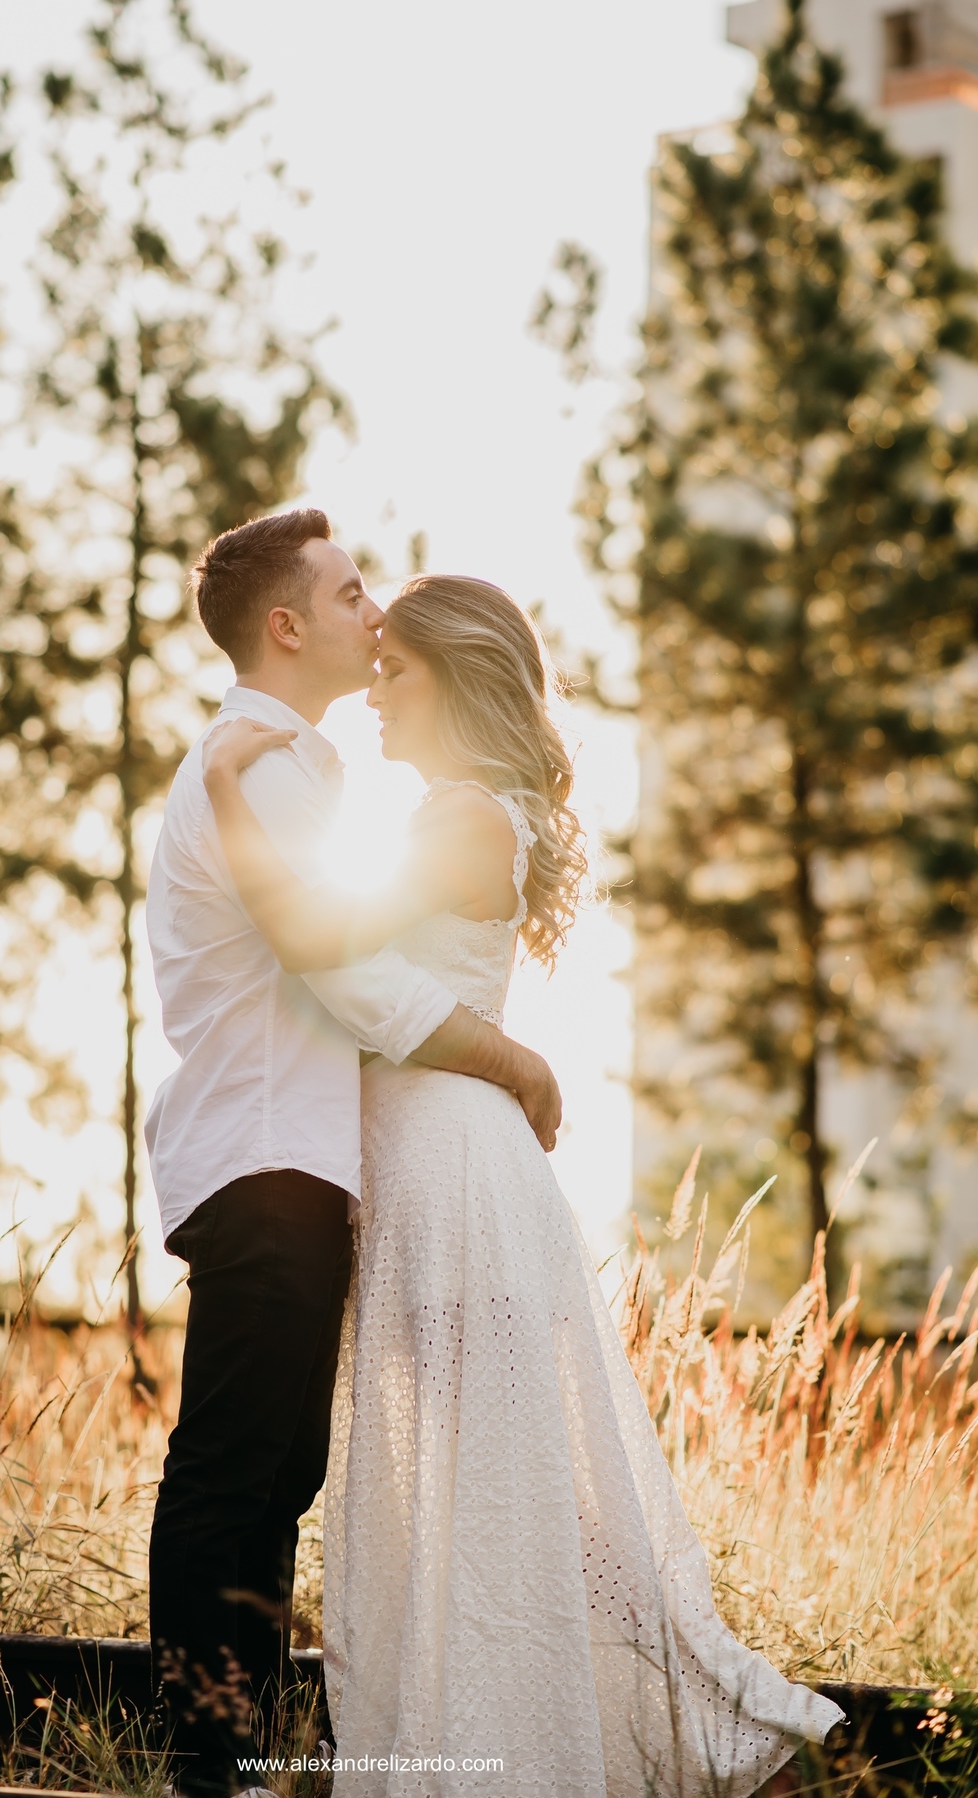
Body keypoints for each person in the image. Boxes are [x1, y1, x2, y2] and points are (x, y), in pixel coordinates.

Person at [201, 571, 846, 1798]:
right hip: (432, 1156)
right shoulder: (464, 810)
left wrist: (230, 788)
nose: (376, 692)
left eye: (397, 670)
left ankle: (526, 1753)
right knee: (449, 1488)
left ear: (458, 677)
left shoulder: (463, 821)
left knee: (470, 1489)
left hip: (450, 1169)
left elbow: (323, 942)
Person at [143, 510, 563, 1798]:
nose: (369, 614)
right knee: (240, 1462)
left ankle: (248, 1749)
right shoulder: (260, 759)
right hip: (270, 1149)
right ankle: (211, 1760)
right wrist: (511, 1058)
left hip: (303, 1153)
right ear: (286, 624)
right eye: (347, 593)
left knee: (281, 1464)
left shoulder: (296, 766)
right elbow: (343, 967)